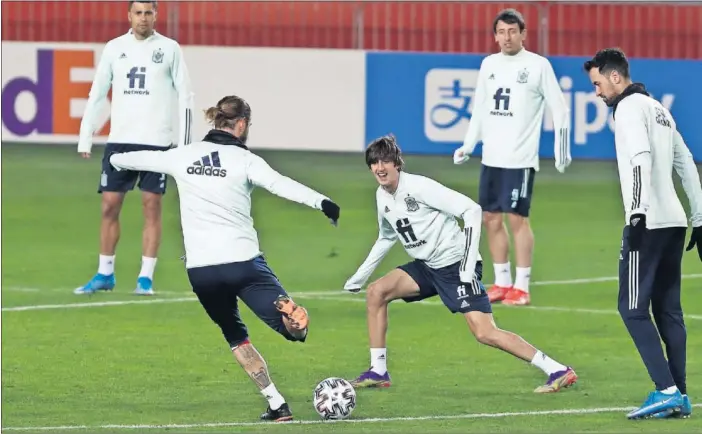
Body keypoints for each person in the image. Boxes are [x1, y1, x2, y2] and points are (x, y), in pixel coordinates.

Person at [108, 95, 341, 421]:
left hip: (202, 271)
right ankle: (294, 322)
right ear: (242, 124)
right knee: (291, 333)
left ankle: (276, 404)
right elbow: (281, 185)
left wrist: (116, 158)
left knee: (235, 335)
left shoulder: (182, 156)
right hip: (243, 263)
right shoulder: (245, 161)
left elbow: (138, 158)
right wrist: (323, 203)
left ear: (215, 121)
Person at [343, 134, 577, 393]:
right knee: (377, 292)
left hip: (456, 266)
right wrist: (360, 276)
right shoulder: (382, 196)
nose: (379, 167)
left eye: (385, 161)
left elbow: (472, 211)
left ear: (397, 163)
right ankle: (378, 370)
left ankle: (557, 369)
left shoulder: (420, 188)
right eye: (374, 163)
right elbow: (387, 236)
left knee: (485, 332)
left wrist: (467, 267)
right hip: (428, 266)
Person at [584, 48, 701, 420]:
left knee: (631, 309)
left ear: (615, 78)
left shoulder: (628, 109)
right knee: (669, 310)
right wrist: (698, 217)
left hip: (647, 222)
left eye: (598, 83)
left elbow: (639, 158)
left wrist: (636, 214)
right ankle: (680, 395)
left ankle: (665, 390)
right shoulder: (659, 110)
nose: (597, 93)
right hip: (674, 222)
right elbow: (686, 164)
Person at [452, 8, 571, 306]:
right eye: (501, 32)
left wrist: (562, 148)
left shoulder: (538, 66)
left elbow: (560, 108)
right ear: (495, 36)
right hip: (491, 157)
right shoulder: (489, 64)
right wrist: (468, 144)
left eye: (512, 31)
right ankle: (502, 282)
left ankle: (522, 286)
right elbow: (479, 108)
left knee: (518, 219)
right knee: (490, 219)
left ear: (523, 34)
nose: (507, 37)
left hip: (520, 159)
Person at [75, 0, 194, 296]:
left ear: (156, 15)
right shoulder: (115, 48)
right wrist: (85, 136)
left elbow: (186, 95)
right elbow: (98, 92)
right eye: (138, 13)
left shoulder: (169, 49)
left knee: (151, 206)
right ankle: (105, 273)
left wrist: (186, 144)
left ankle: (145, 278)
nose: (143, 18)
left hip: (157, 143)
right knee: (109, 206)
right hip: (120, 142)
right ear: (129, 15)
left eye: (148, 12)